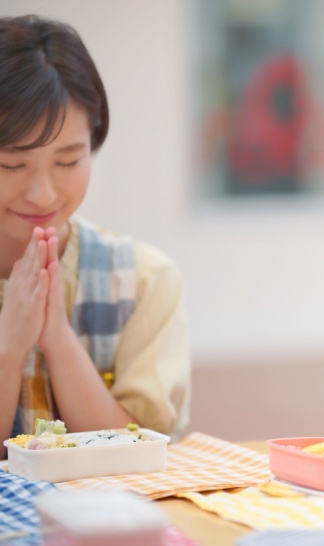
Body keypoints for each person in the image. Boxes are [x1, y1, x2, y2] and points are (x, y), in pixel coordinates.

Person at [0, 15, 190, 455]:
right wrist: (9, 347)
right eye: (11, 165)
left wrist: (59, 339)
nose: (42, 193)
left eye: (68, 161)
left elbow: (143, 453)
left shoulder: (144, 279)